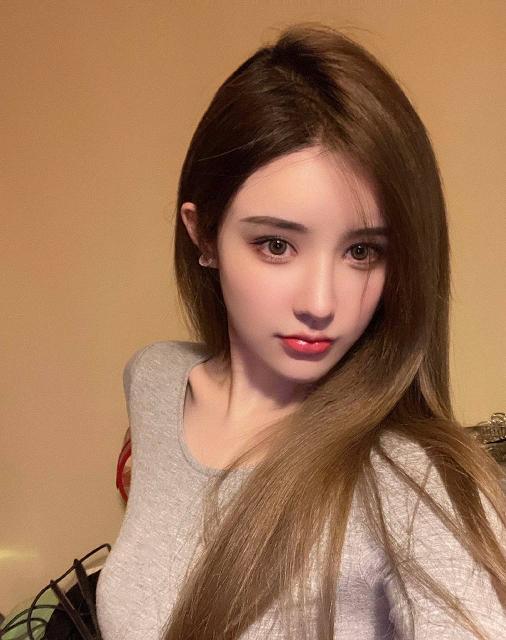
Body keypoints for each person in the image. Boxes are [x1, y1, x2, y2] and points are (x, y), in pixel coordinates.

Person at [96, 22, 506, 640]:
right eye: (276, 244)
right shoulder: (155, 380)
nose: (321, 304)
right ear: (203, 235)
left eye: (362, 251)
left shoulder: (412, 481)